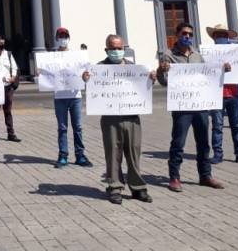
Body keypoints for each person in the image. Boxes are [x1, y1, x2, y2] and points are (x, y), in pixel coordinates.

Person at [82, 34, 155, 204]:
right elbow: (93, 89)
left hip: (132, 117)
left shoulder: (134, 68)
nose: (116, 51)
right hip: (110, 118)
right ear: (106, 49)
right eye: (113, 48)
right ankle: (114, 187)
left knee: (133, 152)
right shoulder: (98, 69)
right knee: (113, 153)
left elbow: (144, 88)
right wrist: (86, 79)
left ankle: (138, 188)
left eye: (119, 48)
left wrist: (150, 78)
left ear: (124, 49)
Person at [158, 22, 228, 192]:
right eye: (184, 33)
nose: (187, 36)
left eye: (190, 34)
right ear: (177, 34)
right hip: (182, 108)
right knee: (178, 142)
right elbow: (164, 81)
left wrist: (223, 69)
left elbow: (207, 76)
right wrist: (161, 70)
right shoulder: (168, 55)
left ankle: (205, 175)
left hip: (201, 106)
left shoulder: (197, 55)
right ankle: (174, 177)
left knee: (204, 143)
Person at [204, 24, 238, 166]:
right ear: (214, 37)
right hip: (216, 94)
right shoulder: (208, 54)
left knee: (236, 126)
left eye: (224, 35)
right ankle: (218, 154)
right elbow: (205, 72)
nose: (221, 37)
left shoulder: (236, 52)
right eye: (218, 35)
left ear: (228, 37)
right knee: (217, 126)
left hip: (234, 94)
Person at [49, 27, 92, 168]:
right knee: (62, 128)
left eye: (65, 36)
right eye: (60, 36)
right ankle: (63, 155)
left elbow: (87, 73)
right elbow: (46, 76)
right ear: (56, 38)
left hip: (75, 96)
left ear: (69, 37)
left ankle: (80, 155)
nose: (63, 38)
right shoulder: (51, 57)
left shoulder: (76, 55)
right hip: (60, 97)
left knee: (78, 127)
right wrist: (41, 73)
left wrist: (86, 76)